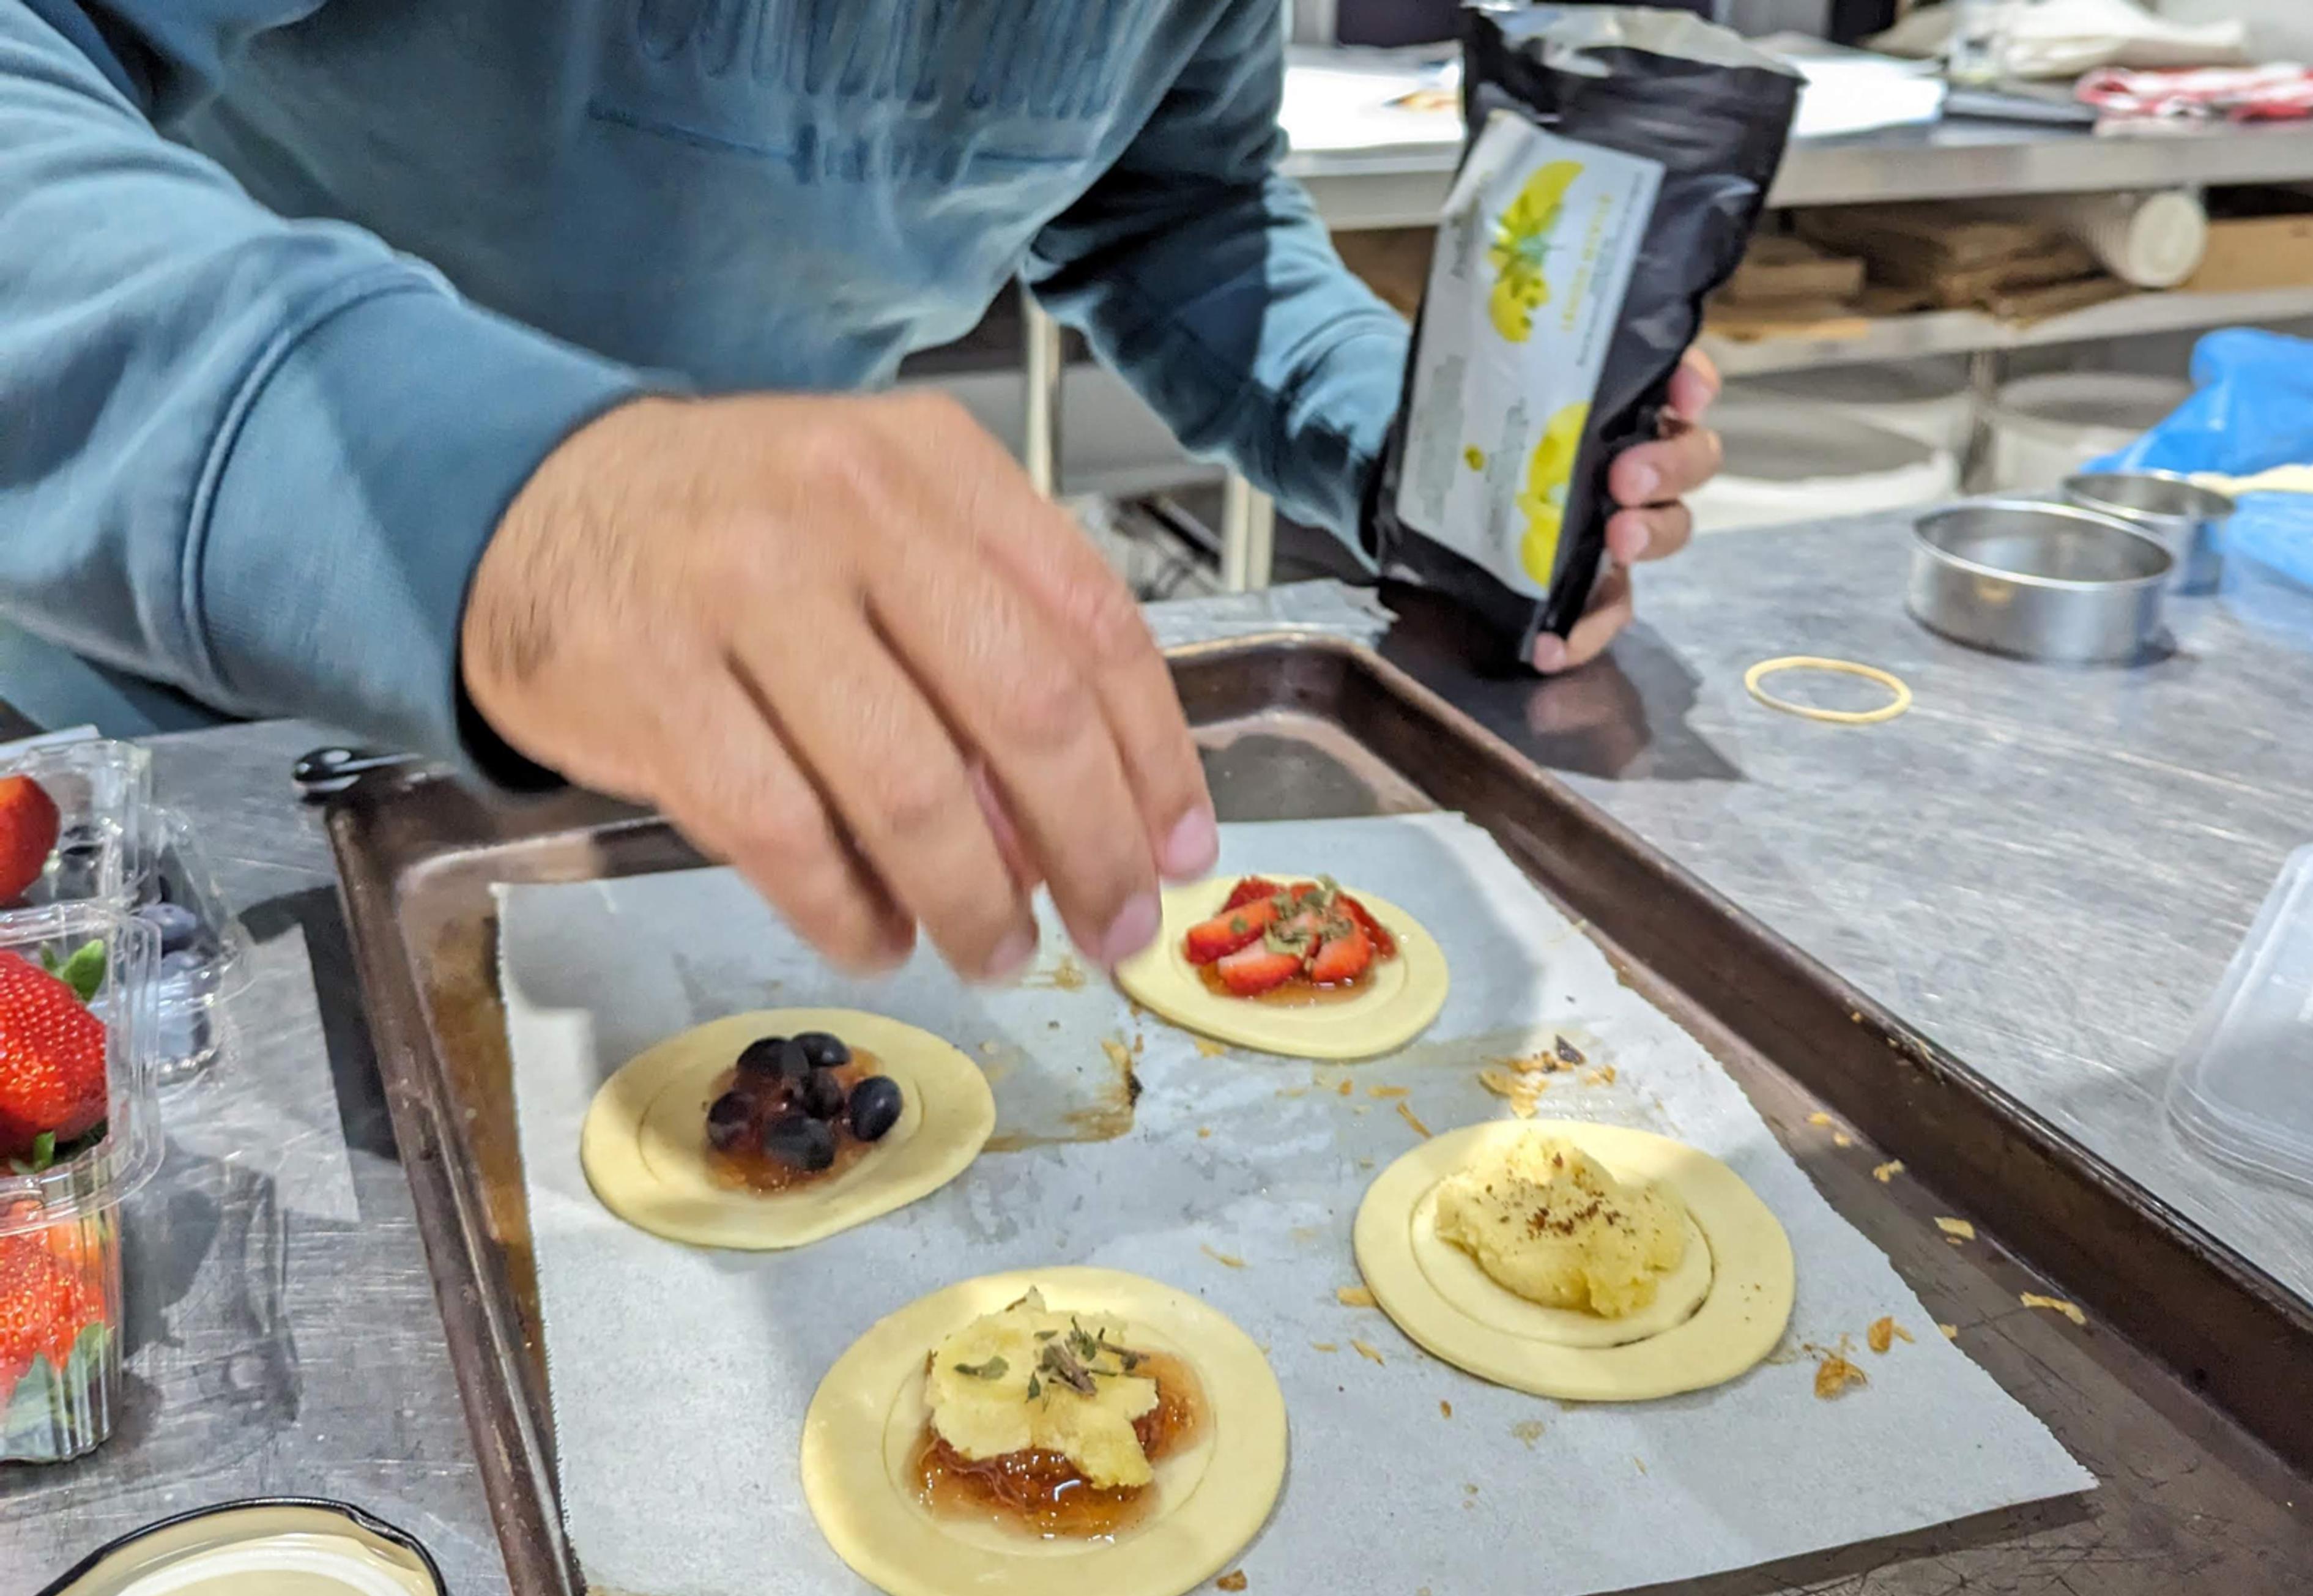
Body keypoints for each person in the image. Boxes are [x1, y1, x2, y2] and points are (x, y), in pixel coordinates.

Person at [0, 0, 1722, 979]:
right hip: (186, 764)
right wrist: (528, 510)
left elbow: (1174, 210)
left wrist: (1434, 462)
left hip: (748, 774)